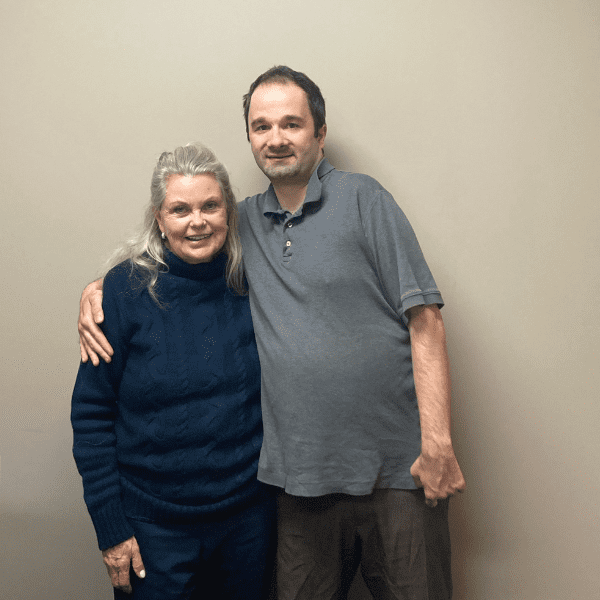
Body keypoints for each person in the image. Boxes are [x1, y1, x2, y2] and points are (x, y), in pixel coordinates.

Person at [79, 67, 466, 600]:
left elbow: (426, 321)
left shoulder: (364, 200)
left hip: (397, 474)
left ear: (319, 134)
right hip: (297, 488)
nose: (276, 138)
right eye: (262, 126)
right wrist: (100, 288)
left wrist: (440, 444)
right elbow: (180, 245)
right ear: (250, 138)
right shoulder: (242, 226)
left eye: (292, 124)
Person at [71, 143, 275, 600]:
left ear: (228, 212)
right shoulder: (123, 293)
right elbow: (90, 417)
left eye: (210, 206)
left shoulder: (256, 282)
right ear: (159, 220)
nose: (197, 221)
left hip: (247, 522)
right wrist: (111, 529)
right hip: (152, 530)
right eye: (179, 209)